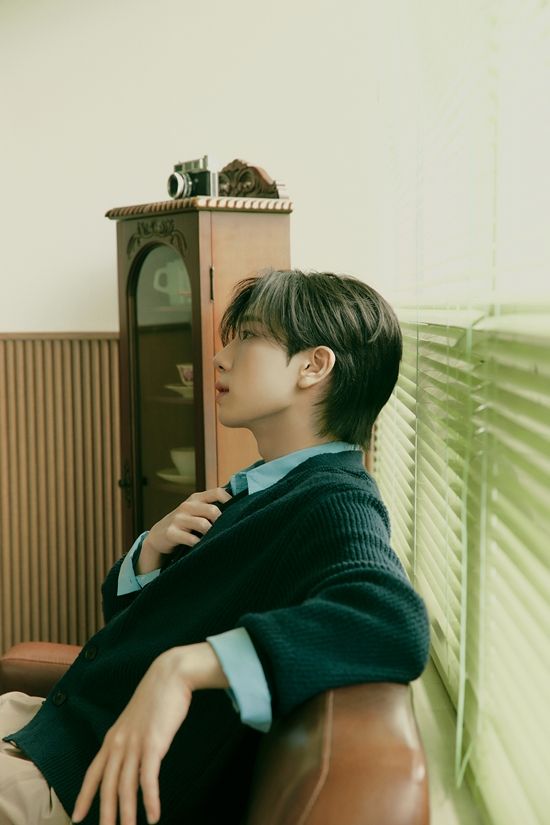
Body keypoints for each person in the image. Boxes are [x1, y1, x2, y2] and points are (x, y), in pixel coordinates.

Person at [0, 269, 430, 825]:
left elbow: (393, 620)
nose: (219, 358)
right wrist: (150, 554)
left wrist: (183, 668)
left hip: (76, 781)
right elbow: (129, 631)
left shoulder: (333, 499)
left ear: (313, 366)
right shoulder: (266, 485)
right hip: (54, 728)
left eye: (247, 337)